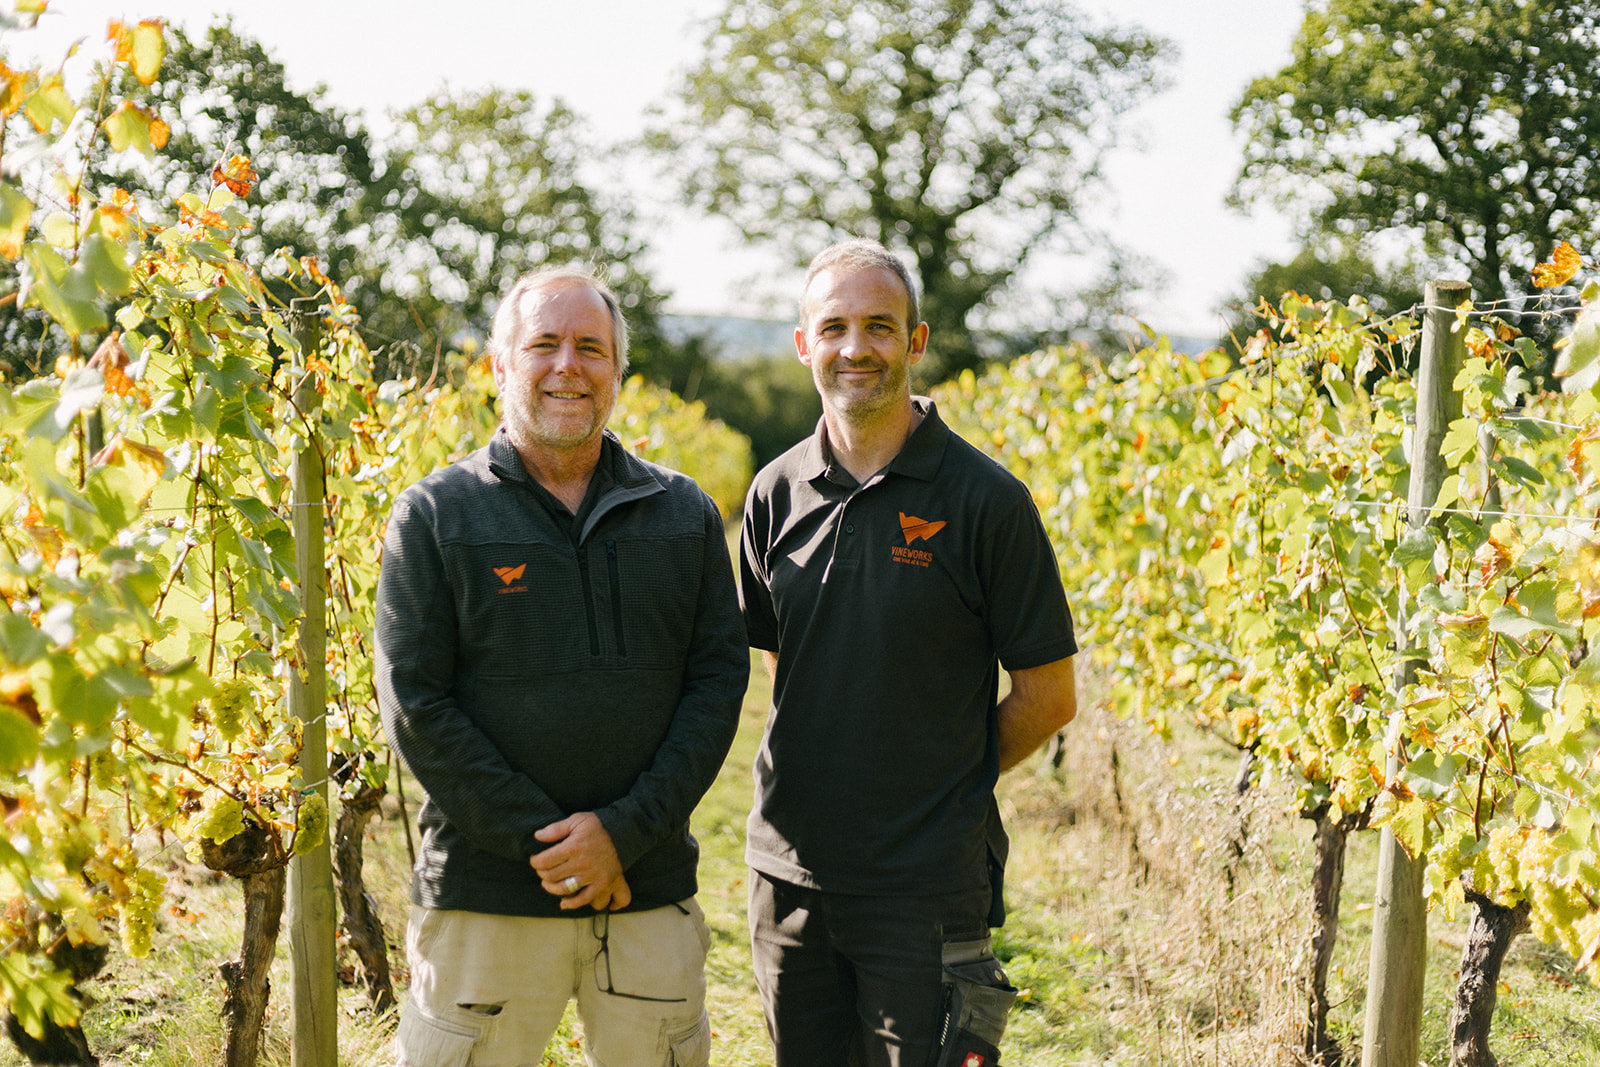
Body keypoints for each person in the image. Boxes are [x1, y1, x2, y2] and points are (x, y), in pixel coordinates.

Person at [375, 265, 749, 1067]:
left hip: (645, 892)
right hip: (487, 900)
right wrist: (556, 847)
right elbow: (416, 705)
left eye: (591, 347)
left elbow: (716, 687)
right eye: (542, 344)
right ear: (500, 365)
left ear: (618, 370)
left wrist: (624, 833)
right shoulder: (436, 515)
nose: (567, 366)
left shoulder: (682, 515)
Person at [738, 238, 1079, 1066]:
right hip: (788, 874)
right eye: (836, 327)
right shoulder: (773, 491)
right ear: (804, 344)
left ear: (916, 343)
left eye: (880, 327)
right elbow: (786, 662)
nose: (857, 348)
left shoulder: (988, 502)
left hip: (926, 886)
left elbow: (1049, 695)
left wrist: (943, 773)